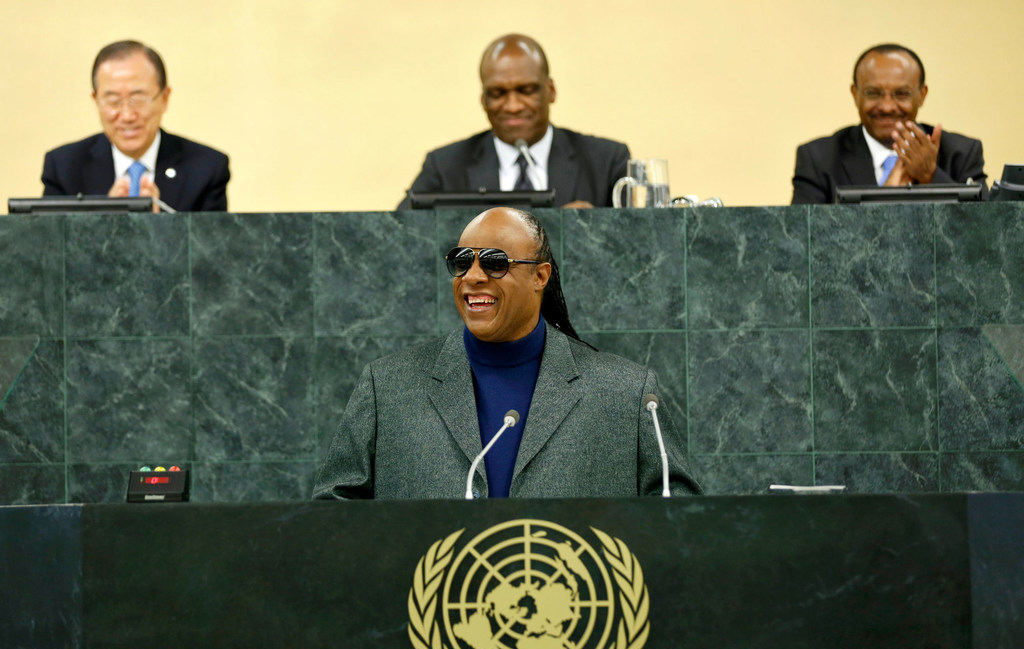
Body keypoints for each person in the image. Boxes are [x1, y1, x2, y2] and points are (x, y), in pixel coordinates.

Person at [314, 207, 701, 500]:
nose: (473, 277)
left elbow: (680, 519)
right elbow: (335, 512)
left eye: (496, 263)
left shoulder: (627, 393)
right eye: (462, 261)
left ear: (540, 277)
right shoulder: (388, 387)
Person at [397, 34, 630, 209]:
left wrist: (593, 231)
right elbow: (396, 238)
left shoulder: (607, 161)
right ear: (483, 100)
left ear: (550, 91)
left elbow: (642, 245)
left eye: (526, 90)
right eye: (498, 93)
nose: (513, 106)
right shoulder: (445, 166)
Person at [42, 40, 230, 212]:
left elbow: (211, 247)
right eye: (113, 101)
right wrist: (103, 224)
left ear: (164, 98)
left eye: (138, 100)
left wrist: (160, 227)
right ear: (96, 101)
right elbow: (51, 246)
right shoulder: (64, 167)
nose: (127, 116)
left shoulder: (206, 168)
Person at [791, 44, 987, 204]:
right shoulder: (818, 158)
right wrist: (881, 202)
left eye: (901, 94)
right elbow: (804, 241)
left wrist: (931, 177)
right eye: (873, 93)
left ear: (922, 95)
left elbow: (991, 233)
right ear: (855, 94)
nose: (887, 107)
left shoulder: (961, 153)